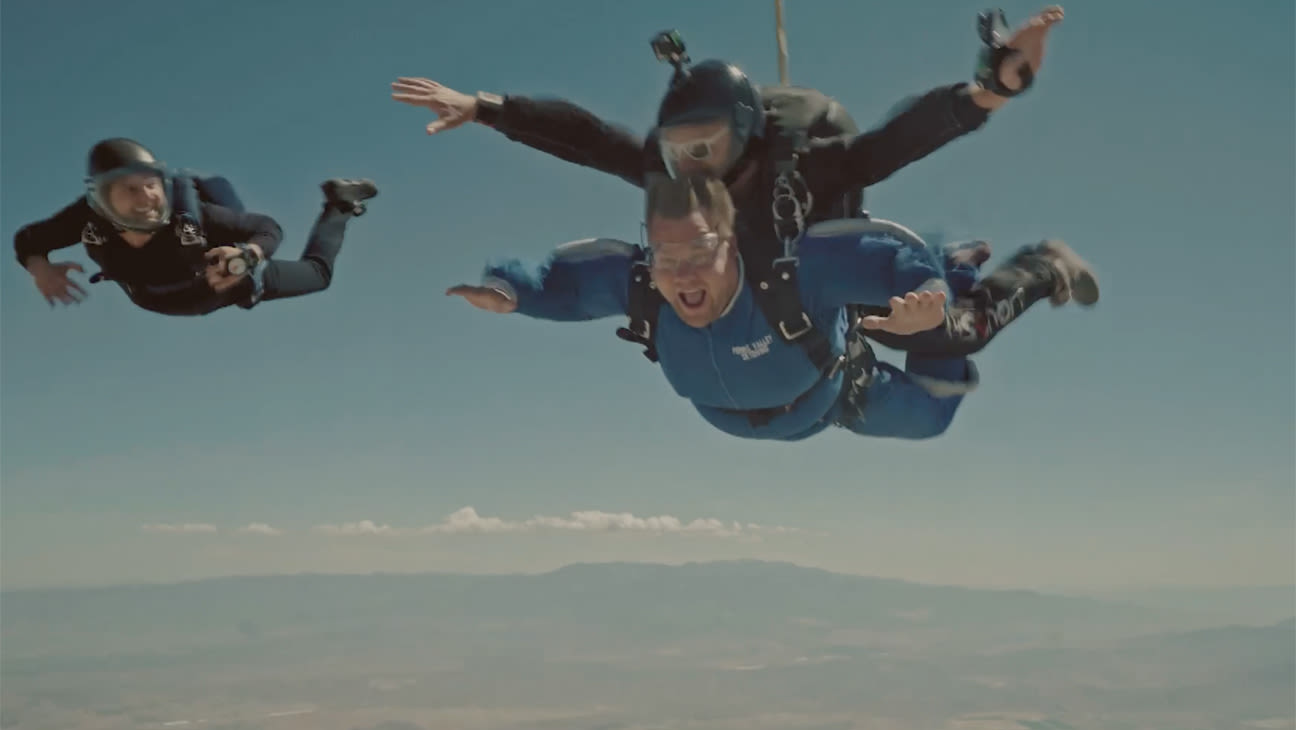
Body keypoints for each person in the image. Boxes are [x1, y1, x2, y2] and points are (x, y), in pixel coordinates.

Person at [395, 6, 1071, 357]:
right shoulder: (673, 179)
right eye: (678, 148)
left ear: (746, 130)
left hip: (826, 284)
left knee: (953, 334)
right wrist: (488, 108)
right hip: (747, 299)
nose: (692, 165)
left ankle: (1035, 270)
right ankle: (952, 260)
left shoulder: (807, 168)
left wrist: (986, 91)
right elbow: (589, 138)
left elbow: (899, 139)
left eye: (707, 145)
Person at [447, 174, 1096, 442]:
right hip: (786, 404)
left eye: (700, 253)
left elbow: (884, 254)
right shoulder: (645, 281)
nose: (683, 276)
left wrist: (928, 290)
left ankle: (1037, 265)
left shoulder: (793, 270)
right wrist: (509, 293)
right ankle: (953, 270)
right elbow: (555, 282)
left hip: (835, 390)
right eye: (667, 257)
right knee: (931, 391)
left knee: (947, 370)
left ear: (732, 244)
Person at [12, 137, 378, 315]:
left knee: (318, 275)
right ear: (102, 198)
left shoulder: (193, 217)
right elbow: (28, 239)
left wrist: (248, 256)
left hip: (223, 286)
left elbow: (268, 227)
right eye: (128, 189)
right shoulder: (85, 219)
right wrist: (39, 268)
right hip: (159, 298)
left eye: (151, 185)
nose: (145, 197)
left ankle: (339, 205)